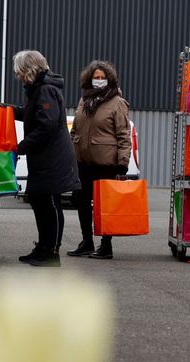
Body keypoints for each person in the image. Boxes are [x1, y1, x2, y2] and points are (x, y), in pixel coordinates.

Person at [11, 50, 79, 267]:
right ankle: (43, 247)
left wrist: (22, 146)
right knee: (39, 201)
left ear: (28, 69)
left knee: (49, 203)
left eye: (20, 71)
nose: (18, 76)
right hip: (45, 158)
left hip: (53, 159)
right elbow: (29, 114)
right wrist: (4, 109)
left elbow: (46, 125)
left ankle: (51, 252)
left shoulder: (46, 90)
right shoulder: (38, 89)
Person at [67, 60, 131, 260]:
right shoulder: (84, 100)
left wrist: (123, 163)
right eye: (96, 78)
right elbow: (75, 129)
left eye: (103, 78)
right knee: (81, 201)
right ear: (90, 79)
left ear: (109, 79)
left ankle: (106, 245)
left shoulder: (117, 103)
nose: (100, 81)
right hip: (83, 162)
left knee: (105, 206)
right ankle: (87, 242)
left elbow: (123, 135)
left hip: (106, 164)